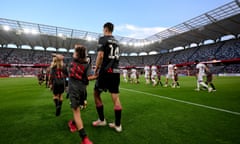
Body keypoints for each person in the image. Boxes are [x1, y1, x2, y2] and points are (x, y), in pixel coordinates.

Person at [92, 22, 122, 132]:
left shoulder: (103, 39)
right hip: (116, 70)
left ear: (105, 29)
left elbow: (100, 55)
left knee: (96, 93)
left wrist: (96, 69)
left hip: (105, 71)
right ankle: (118, 125)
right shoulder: (117, 42)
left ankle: (102, 120)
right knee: (115, 97)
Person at [66, 45, 96, 144]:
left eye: (74, 52)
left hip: (73, 90)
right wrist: (97, 76)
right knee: (78, 109)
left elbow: (59, 58)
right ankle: (73, 123)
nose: (73, 53)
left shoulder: (71, 61)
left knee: (76, 112)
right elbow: (89, 77)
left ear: (77, 54)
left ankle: (84, 139)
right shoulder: (86, 64)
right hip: (83, 90)